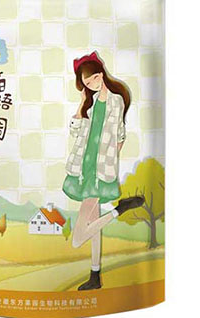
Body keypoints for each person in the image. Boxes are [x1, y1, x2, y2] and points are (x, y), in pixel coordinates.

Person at [62, 52, 145, 290]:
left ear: (101, 74)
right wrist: (81, 103)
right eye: (87, 83)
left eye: (94, 79)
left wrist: (111, 162)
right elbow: (75, 131)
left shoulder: (116, 101)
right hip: (82, 168)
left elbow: (119, 134)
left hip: (100, 172)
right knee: (93, 226)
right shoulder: (89, 103)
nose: (92, 85)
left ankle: (120, 209)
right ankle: (95, 275)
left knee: (78, 238)